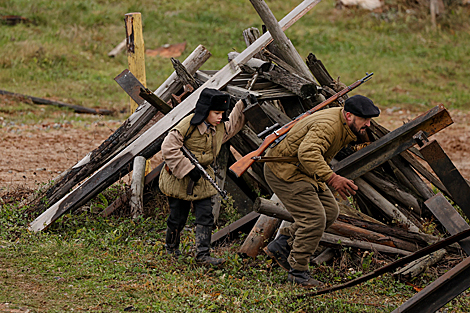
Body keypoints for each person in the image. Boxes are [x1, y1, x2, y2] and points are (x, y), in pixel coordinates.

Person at [263, 95, 380, 288]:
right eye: (364, 119)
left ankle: (282, 244)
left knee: (330, 213)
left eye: (369, 119)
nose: (368, 124)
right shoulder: (328, 126)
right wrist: (333, 178)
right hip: (285, 171)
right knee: (314, 219)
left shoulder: (343, 122)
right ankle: (298, 272)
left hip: (305, 170)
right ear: (349, 115)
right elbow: (307, 153)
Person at [159, 88, 246, 266]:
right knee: (177, 217)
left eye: (222, 113)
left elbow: (231, 127)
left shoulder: (218, 126)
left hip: (203, 179)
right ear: (206, 110)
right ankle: (171, 248)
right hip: (179, 179)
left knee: (206, 216)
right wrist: (187, 168)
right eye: (216, 113)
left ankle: (203, 255)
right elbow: (168, 147)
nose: (220, 117)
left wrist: (242, 105)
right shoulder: (187, 125)